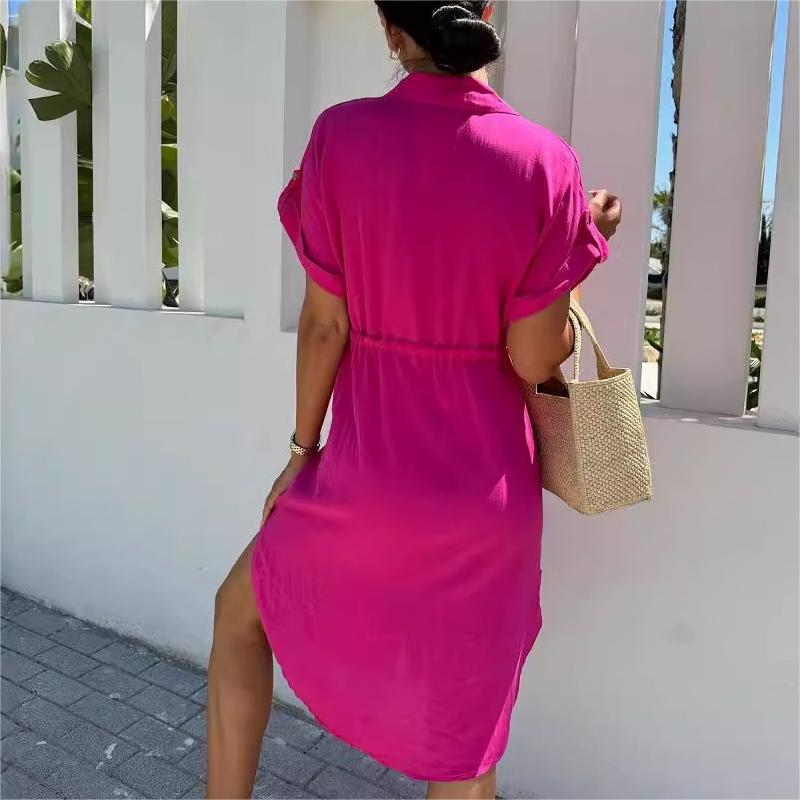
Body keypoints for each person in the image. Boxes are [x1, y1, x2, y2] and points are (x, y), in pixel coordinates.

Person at [205, 3, 622, 798]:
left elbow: (324, 326)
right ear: (488, 11)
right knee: (464, 742)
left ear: (390, 31)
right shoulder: (548, 163)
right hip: (480, 504)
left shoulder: (340, 137)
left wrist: (300, 454)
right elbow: (534, 356)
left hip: (362, 482)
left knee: (239, 614)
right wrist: (585, 246)